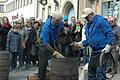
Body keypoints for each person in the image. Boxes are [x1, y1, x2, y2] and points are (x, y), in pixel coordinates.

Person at [73, 8, 114, 80]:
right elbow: (89, 40)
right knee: (91, 71)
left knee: (100, 73)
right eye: (85, 17)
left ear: (92, 14)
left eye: (87, 17)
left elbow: (110, 34)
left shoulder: (101, 20)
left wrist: (108, 46)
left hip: (103, 51)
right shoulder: (89, 24)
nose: (86, 19)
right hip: (94, 51)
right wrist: (80, 44)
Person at [38, 11, 64, 80]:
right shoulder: (46, 27)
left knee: (59, 59)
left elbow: (62, 31)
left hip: (54, 42)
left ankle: (57, 76)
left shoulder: (60, 23)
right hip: (44, 44)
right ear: (53, 19)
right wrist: (55, 53)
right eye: (57, 20)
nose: (59, 22)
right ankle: (41, 77)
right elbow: (46, 43)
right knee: (43, 63)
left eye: (59, 20)